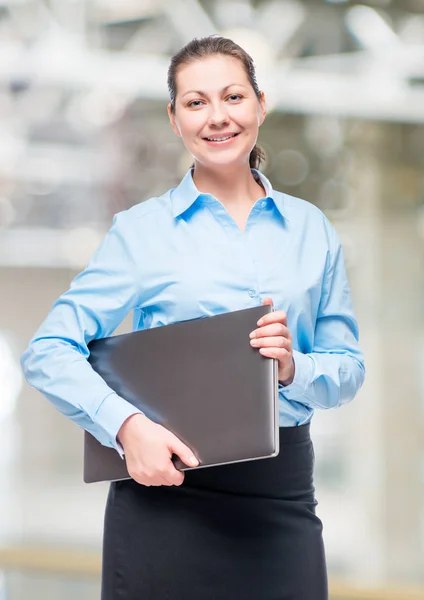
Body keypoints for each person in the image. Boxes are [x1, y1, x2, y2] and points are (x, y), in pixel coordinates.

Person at [21, 35, 365, 600]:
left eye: (232, 96)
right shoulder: (141, 231)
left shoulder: (312, 230)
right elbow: (49, 349)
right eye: (196, 102)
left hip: (280, 502)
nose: (217, 117)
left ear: (258, 103)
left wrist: (291, 369)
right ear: (175, 119)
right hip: (166, 497)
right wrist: (126, 427)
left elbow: (347, 369)